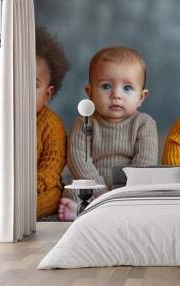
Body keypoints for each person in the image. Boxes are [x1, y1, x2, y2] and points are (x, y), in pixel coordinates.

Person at [58, 46, 158, 221]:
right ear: (90, 93)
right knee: (75, 191)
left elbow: (145, 162)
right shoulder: (84, 122)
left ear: (141, 97)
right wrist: (100, 190)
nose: (116, 95)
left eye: (127, 88)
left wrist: (124, 191)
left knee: (149, 193)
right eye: (106, 86)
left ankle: (95, 212)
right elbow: (79, 160)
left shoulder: (144, 123)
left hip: (129, 188)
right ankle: (82, 211)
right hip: (93, 185)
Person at [35, 26, 68, 218]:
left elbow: (51, 167)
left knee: (53, 196)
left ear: (47, 94)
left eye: (33, 85)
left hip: (43, 185)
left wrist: (31, 186)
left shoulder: (51, 125)